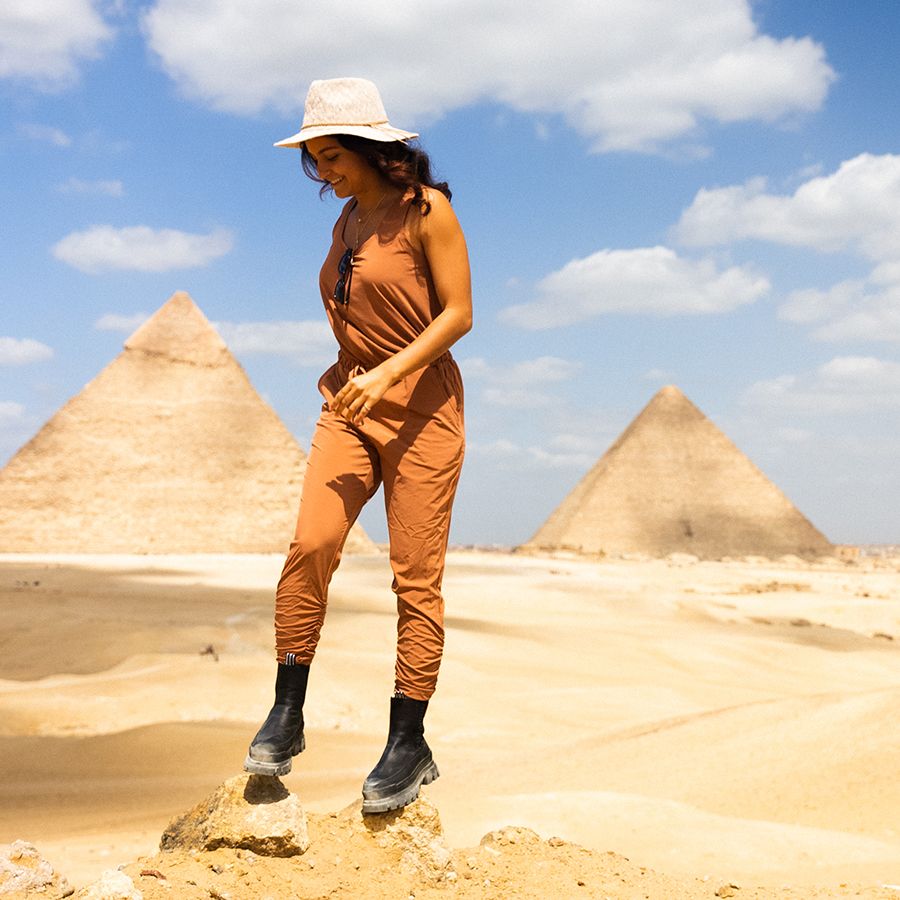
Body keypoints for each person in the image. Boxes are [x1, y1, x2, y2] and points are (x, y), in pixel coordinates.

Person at [244, 77, 471, 816]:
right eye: (312, 160)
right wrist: (359, 378)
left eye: (331, 156)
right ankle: (287, 710)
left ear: (373, 149)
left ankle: (408, 739)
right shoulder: (344, 220)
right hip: (347, 406)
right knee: (310, 545)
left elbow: (460, 314)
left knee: (415, 578)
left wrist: (390, 373)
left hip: (420, 412)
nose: (321, 173)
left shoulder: (427, 211)